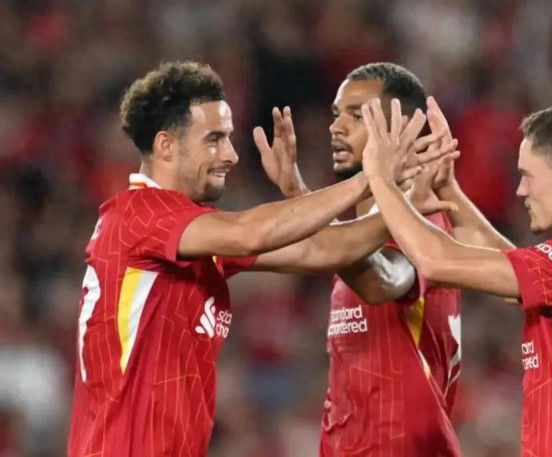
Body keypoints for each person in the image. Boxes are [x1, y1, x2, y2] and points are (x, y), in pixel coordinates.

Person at [66, 61, 456, 457]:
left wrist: (403, 198)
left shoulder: (193, 236)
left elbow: (324, 248)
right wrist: (373, 177)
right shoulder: (137, 214)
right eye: (214, 139)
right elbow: (249, 232)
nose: (231, 155)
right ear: (166, 145)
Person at [362, 98, 552, 457]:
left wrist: (379, 177)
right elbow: (507, 270)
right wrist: (448, 189)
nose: (520, 190)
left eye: (528, 175)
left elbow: (434, 260)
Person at [253, 63, 464, 456]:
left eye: (357, 115)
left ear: (402, 131)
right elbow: (342, 248)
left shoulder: (420, 220)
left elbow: (380, 283)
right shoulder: (360, 239)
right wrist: (297, 192)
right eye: (337, 114)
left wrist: (301, 196)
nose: (336, 127)